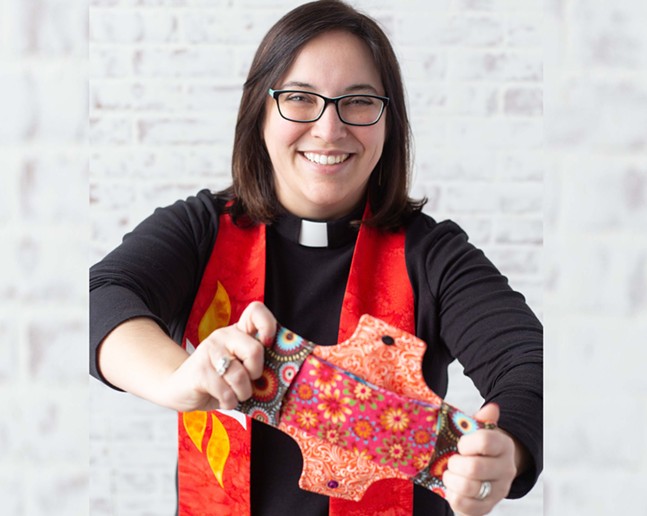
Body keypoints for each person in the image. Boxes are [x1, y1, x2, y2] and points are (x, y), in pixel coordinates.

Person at [89, 1, 543, 515]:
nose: (329, 129)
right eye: (300, 99)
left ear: (388, 122)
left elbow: (530, 360)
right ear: (259, 112)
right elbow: (98, 298)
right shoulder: (201, 231)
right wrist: (181, 379)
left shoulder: (430, 256)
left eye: (358, 102)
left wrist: (506, 450)